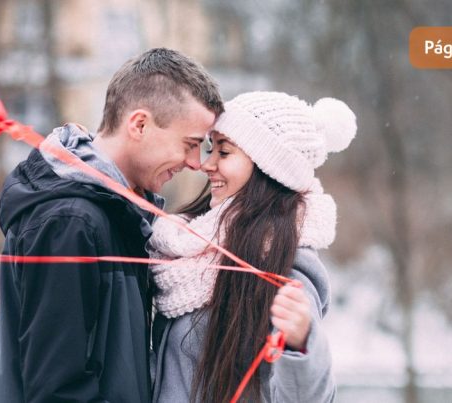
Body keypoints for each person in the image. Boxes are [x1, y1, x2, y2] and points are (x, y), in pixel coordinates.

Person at [0, 48, 223, 403]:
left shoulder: (117, 214)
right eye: (190, 145)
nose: (194, 163)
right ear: (139, 125)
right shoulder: (70, 221)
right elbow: (57, 391)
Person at [148, 91, 356, 402]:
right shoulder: (186, 249)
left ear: (267, 167)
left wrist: (300, 343)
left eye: (225, 152)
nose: (207, 164)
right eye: (210, 149)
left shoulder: (286, 265)